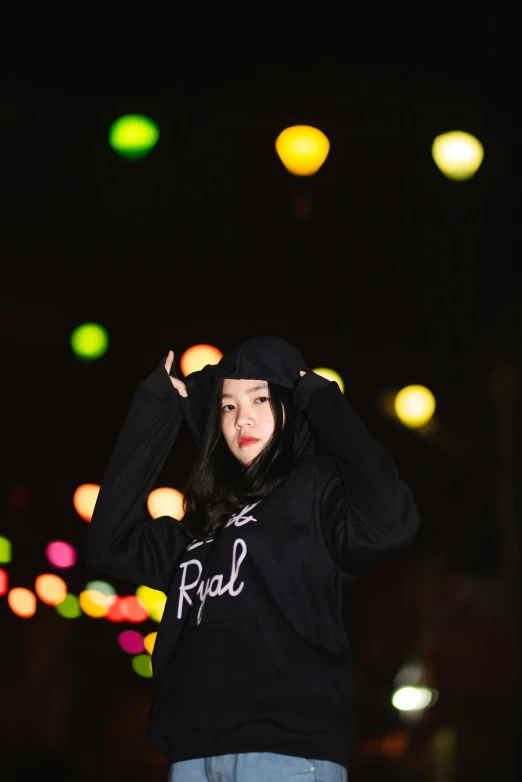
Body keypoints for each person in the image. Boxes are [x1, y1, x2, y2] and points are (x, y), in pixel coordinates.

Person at [84, 335, 421, 781]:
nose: (242, 417)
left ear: (289, 402)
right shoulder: (197, 525)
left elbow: (392, 522)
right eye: (226, 406)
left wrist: (326, 408)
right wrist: (155, 413)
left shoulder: (314, 488)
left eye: (260, 397)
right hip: (191, 754)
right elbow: (107, 544)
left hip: (285, 752)